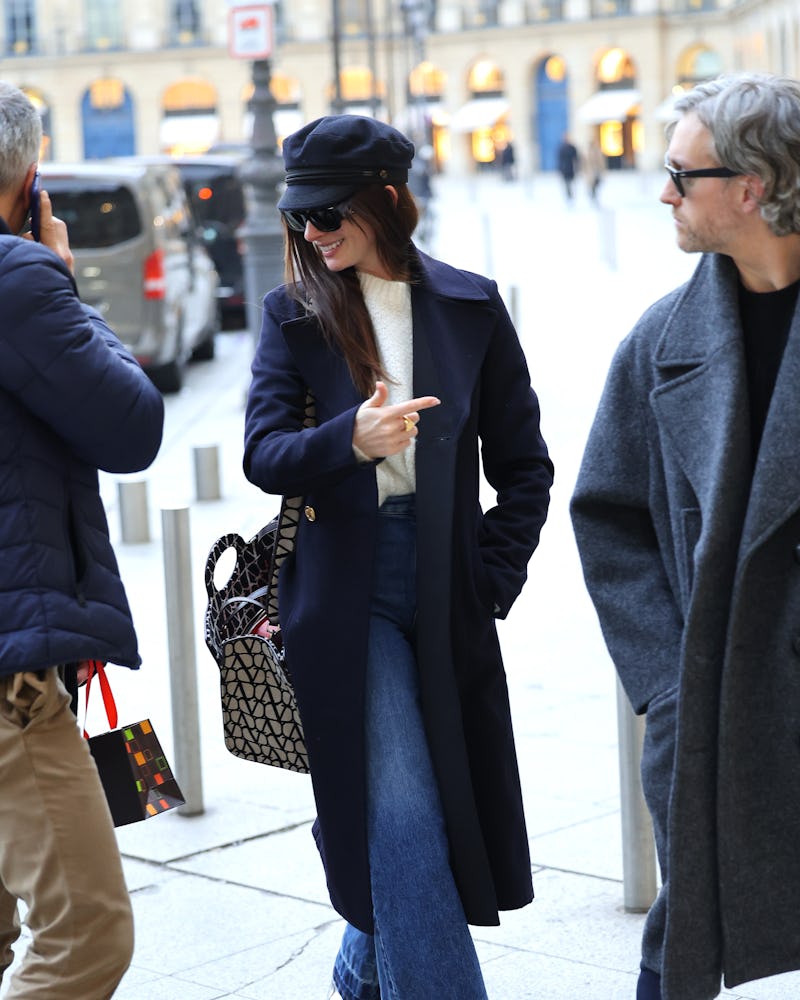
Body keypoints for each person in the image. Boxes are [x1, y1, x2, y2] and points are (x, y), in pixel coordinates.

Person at [243, 114, 553, 1000]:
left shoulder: (470, 306)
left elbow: (525, 466)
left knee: (437, 804)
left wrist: (491, 578)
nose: (311, 231)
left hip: (449, 582)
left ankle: (362, 963)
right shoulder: (292, 317)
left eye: (327, 211)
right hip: (347, 600)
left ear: (385, 198)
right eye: (299, 215)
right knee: (408, 812)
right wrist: (351, 439)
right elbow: (263, 453)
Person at [570, 73, 800, 1000]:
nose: (663, 192)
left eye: (680, 172)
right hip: (711, 710)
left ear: (752, 186)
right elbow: (606, 513)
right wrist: (667, 683)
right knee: (688, 944)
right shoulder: (663, 338)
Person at [0, 81, 164, 997]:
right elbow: (130, 425)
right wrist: (58, 275)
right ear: (28, 180)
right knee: (86, 936)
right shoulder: (17, 278)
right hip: (11, 679)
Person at [557, 133, 580, 202]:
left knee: (572, 184)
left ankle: (572, 196)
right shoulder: (561, 148)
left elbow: (576, 159)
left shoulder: (572, 148)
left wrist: (577, 168)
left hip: (571, 169)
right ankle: (569, 197)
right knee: (566, 184)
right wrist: (559, 169)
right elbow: (559, 159)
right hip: (564, 169)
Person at [585, 138, 604, 202]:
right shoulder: (588, 151)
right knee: (592, 184)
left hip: (595, 170)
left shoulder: (597, 151)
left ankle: (594, 195)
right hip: (591, 171)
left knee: (596, 183)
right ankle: (593, 195)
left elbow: (600, 161)